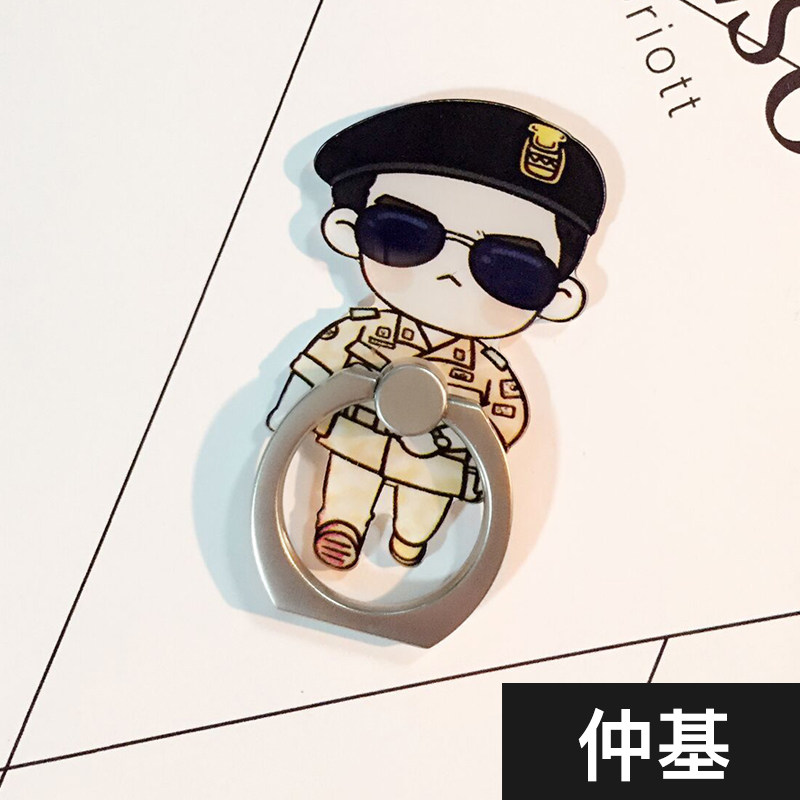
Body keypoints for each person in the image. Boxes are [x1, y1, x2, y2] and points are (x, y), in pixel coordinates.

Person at [267, 99, 606, 569]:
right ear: (348, 231)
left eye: (509, 270)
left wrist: (466, 455)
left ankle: (410, 540)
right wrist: (290, 416)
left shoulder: (489, 372)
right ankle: (340, 525)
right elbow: (318, 365)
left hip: (433, 465)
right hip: (356, 435)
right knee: (347, 480)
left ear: (556, 297)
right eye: (405, 234)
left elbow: (502, 423)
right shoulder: (364, 330)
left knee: (424, 505)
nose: (451, 273)